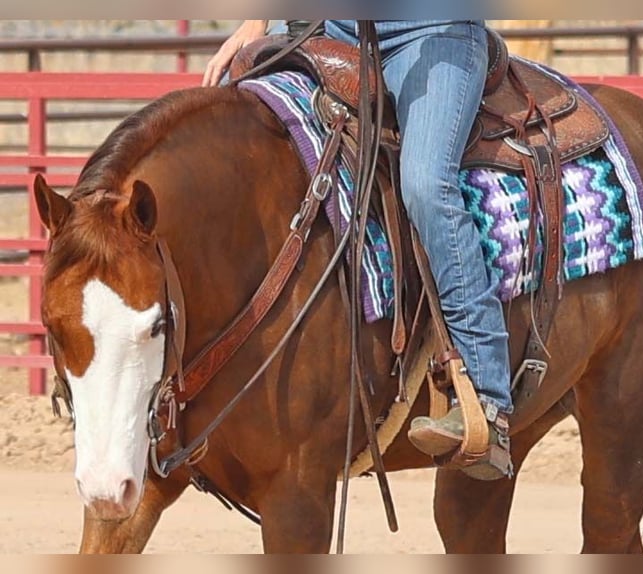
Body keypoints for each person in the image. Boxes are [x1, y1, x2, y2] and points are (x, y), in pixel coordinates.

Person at [203, 20, 513, 480]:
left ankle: (488, 396)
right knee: (232, 132)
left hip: (430, 30)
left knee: (427, 185)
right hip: (329, 25)